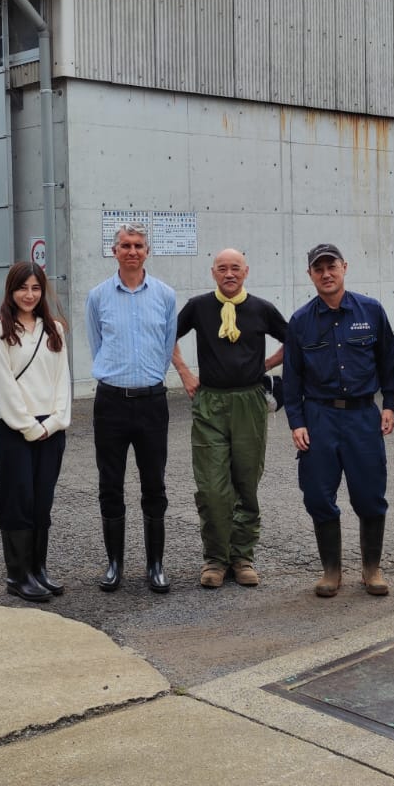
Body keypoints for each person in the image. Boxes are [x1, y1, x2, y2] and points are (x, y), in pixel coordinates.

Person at [282, 243, 394, 598]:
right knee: (318, 494)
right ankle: (331, 571)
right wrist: (297, 421)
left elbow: (387, 360)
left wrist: (390, 404)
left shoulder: (371, 311)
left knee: (369, 494)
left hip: (363, 415)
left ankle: (371, 569)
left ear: (344, 267)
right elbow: (292, 377)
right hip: (319, 416)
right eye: (318, 269)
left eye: (331, 266)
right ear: (310, 275)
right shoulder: (301, 321)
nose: (326, 274)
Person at [172, 248, 286, 588]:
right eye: (222, 268)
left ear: (246, 271)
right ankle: (215, 559)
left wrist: (266, 365)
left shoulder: (261, 308)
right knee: (211, 488)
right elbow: (167, 337)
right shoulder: (199, 306)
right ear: (213, 273)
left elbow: (295, 339)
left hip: (249, 402)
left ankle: (242, 557)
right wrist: (184, 372)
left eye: (235, 268)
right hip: (210, 402)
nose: (229, 274)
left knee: (246, 483)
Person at [85, 222, 177, 593]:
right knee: (111, 483)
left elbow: (167, 343)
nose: (132, 251)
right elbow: (96, 344)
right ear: (114, 251)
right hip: (111, 402)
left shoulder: (166, 295)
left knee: (154, 483)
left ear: (147, 251)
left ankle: (155, 564)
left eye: (138, 245)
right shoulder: (98, 296)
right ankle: (115, 563)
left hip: (152, 401)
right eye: (125, 245)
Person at [0, 260, 72, 602]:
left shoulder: (54, 329)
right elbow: (2, 384)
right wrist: (27, 425)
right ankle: (18, 575)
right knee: (16, 500)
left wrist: (54, 421)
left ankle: (38, 569)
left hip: (51, 428)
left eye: (36, 288)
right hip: (13, 429)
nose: (29, 295)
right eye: (22, 288)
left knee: (42, 500)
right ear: (10, 290)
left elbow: (62, 381)